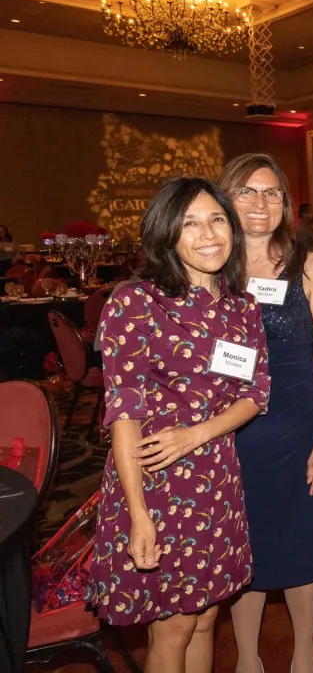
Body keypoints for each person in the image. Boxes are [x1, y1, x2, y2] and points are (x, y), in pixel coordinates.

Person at [89, 177, 270, 673]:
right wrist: (138, 515)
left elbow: (256, 394)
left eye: (216, 219)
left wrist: (198, 434)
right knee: (173, 626)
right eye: (189, 223)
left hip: (218, 480)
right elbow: (123, 417)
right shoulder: (136, 303)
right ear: (167, 234)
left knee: (208, 618)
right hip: (154, 483)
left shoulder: (242, 307)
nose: (207, 233)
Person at [219, 155, 313, 673]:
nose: (260, 203)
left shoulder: (309, 266)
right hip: (231, 432)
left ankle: (304, 653)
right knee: (246, 542)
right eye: (247, 191)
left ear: (286, 205)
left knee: (300, 541)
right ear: (227, 199)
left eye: (271, 193)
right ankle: (248, 657)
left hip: (299, 427)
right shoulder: (210, 270)